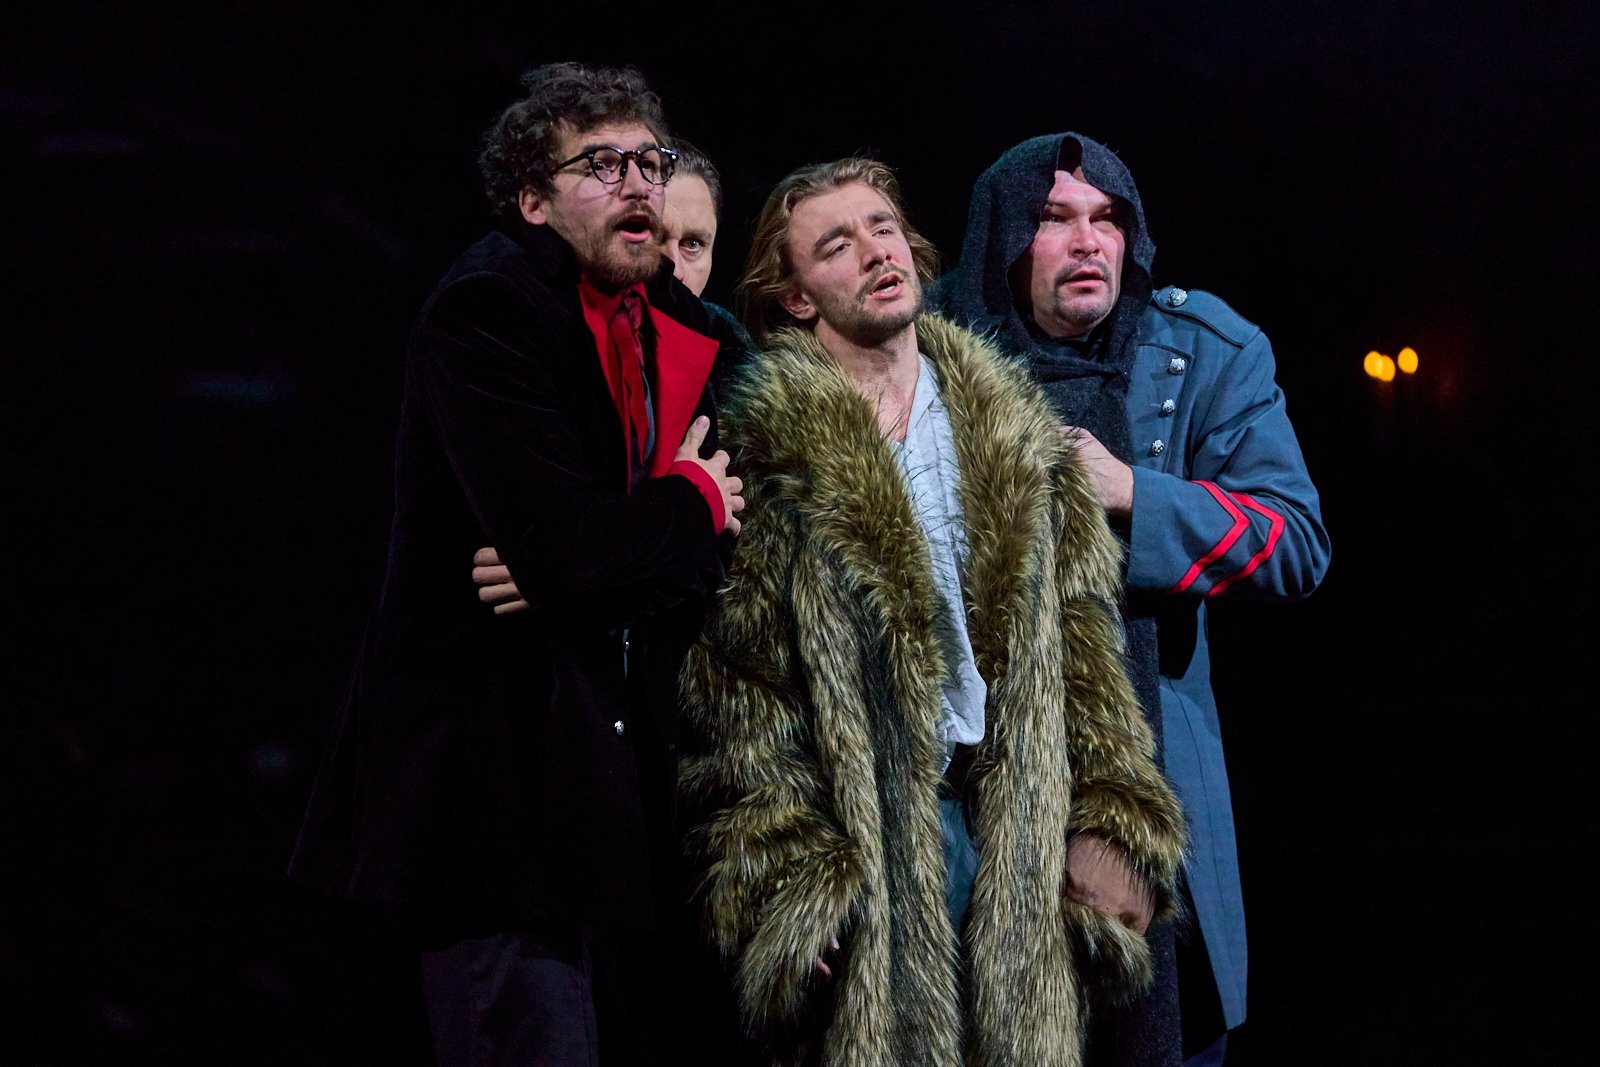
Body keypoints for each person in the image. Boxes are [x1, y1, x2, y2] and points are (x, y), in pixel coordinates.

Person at [679, 157, 1187, 1066]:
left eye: (883, 228)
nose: (876, 252)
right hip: (873, 840)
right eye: (837, 245)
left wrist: (1113, 817)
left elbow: (1087, 651)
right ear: (796, 297)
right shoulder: (767, 455)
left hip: (1016, 826)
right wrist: (789, 877)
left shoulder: (1017, 428)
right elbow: (741, 697)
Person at [289, 62, 743, 1066]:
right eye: (601, 164)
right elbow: (568, 545)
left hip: (624, 796)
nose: (638, 184)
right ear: (534, 201)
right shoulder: (489, 307)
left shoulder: (688, 328)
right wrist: (691, 502)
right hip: (495, 800)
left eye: (650, 161)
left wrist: (612, 555)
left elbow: (688, 566)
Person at [939, 133, 1332, 1066]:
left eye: (1108, 219)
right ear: (1002, 237)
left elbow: (1294, 541)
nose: (1089, 242)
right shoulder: (929, 353)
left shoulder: (1200, 350)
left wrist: (1133, 494)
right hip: (973, 793)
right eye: (1055, 218)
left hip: (1150, 787)